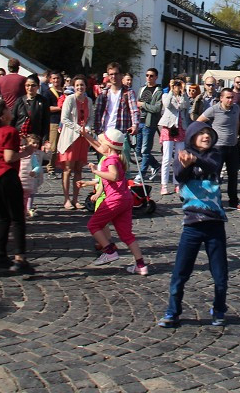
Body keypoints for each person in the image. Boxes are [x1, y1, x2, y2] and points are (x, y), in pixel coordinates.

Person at [159, 120, 228, 328]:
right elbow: (179, 176)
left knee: (220, 274)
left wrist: (194, 158)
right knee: (180, 272)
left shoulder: (214, 154)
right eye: (201, 134)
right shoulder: (183, 156)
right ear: (191, 137)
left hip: (215, 223)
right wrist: (185, 164)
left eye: (208, 133)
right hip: (192, 225)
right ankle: (173, 312)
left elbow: (212, 165)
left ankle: (219, 309)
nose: (206, 136)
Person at [0, 99, 35, 274]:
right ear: (2, 116)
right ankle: (20, 258)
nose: (10, 109)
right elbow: (8, 157)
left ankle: (0, 254)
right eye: (6, 108)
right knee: (18, 217)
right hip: (5, 175)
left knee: (3, 217)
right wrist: (26, 152)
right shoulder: (10, 131)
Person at [86, 129, 149, 272]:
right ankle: (141, 265)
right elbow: (98, 145)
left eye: (102, 142)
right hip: (126, 199)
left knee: (93, 225)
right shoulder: (117, 157)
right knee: (127, 235)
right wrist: (85, 135)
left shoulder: (110, 159)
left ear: (108, 146)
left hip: (115, 199)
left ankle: (109, 251)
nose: (99, 145)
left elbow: (113, 176)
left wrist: (96, 171)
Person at [197, 87, 240, 210]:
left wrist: (237, 135)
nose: (230, 100)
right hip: (218, 147)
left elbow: (237, 122)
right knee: (215, 175)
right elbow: (199, 121)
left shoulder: (236, 108)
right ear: (221, 98)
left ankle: (234, 201)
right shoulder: (214, 110)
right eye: (228, 97)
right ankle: (214, 200)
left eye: (232, 97)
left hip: (233, 146)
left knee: (233, 175)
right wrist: (206, 137)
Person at [57, 76, 92, 209]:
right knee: (67, 169)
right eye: (77, 85)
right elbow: (64, 118)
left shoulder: (88, 101)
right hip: (70, 138)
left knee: (78, 170)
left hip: (82, 139)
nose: (80, 87)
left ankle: (76, 199)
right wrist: (79, 129)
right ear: (74, 86)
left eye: (82, 85)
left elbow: (91, 117)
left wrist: (87, 128)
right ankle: (66, 198)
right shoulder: (69, 100)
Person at [158, 79, 190, 197]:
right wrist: (171, 90)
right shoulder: (166, 95)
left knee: (179, 158)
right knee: (166, 158)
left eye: (178, 85)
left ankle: (177, 183)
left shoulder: (182, 97)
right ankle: (164, 184)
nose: (177, 87)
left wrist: (184, 90)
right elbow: (167, 104)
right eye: (175, 85)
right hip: (169, 127)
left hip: (180, 128)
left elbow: (186, 105)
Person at [135, 68, 163, 180]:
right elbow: (137, 103)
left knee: (145, 150)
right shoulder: (142, 89)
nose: (149, 78)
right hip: (139, 122)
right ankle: (155, 165)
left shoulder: (158, 91)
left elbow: (157, 108)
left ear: (156, 77)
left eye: (151, 76)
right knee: (138, 150)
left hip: (149, 123)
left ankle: (142, 174)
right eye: (147, 75)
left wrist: (143, 105)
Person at [12, 75, 50, 145]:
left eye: (33, 85)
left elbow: (46, 123)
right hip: (20, 136)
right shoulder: (19, 100)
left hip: (35, 139)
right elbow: (12, 119)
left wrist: (45, 141)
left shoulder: (43, 101)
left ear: (38, 87)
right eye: (27, 85)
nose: (30, 88)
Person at [43, 72, 65, 155]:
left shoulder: (65, 91)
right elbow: (46, 108)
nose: (56, 80)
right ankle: (50, 167)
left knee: (63, 146)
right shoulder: (47, 93)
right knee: (53, 147)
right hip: (54, 122)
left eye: (58, 78)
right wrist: (60, 108)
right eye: (54, 78)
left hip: (65, 122)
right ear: (50, 80)